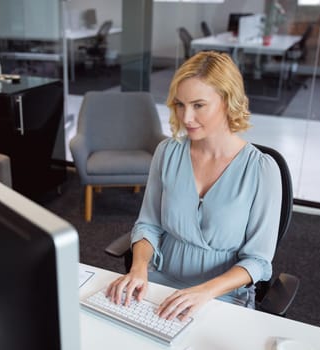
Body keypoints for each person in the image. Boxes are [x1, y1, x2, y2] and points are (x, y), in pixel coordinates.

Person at [106, 51, 282, 322]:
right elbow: (148, 225)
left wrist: (204, 292)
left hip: (220, 295)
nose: (186, 117)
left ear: (227, 102)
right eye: (179, 104)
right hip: (158, 283)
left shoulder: (261, 170)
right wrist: (139, 268)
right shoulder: (167, 152)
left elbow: (258, 261)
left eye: (199, 105)